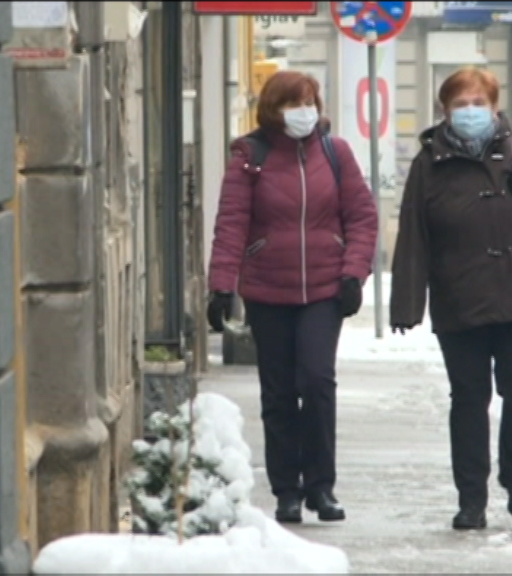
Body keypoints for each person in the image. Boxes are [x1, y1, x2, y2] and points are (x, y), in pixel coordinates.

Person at [389, 67, 512, 530]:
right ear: (445, 111)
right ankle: (471, 499)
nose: (470, 111)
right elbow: (413, 235)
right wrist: (406, 305)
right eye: (461, 104)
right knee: (468, 399)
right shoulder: (428, 163)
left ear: (494, 106)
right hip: (460, 301)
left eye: (479, 102)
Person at [206, 70, 378, 524]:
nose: (305, 111)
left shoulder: (334, 152)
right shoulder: (251, 155)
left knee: (318, 382)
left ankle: (322, 487)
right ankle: (287, 490)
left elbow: (361, 217)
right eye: (294, 103)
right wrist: (222, 285)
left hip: (325, 288)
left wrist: (353, 273)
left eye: (310, 101)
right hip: (268, 290)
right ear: (273, 109)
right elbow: (231, 224)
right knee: (279, 391)